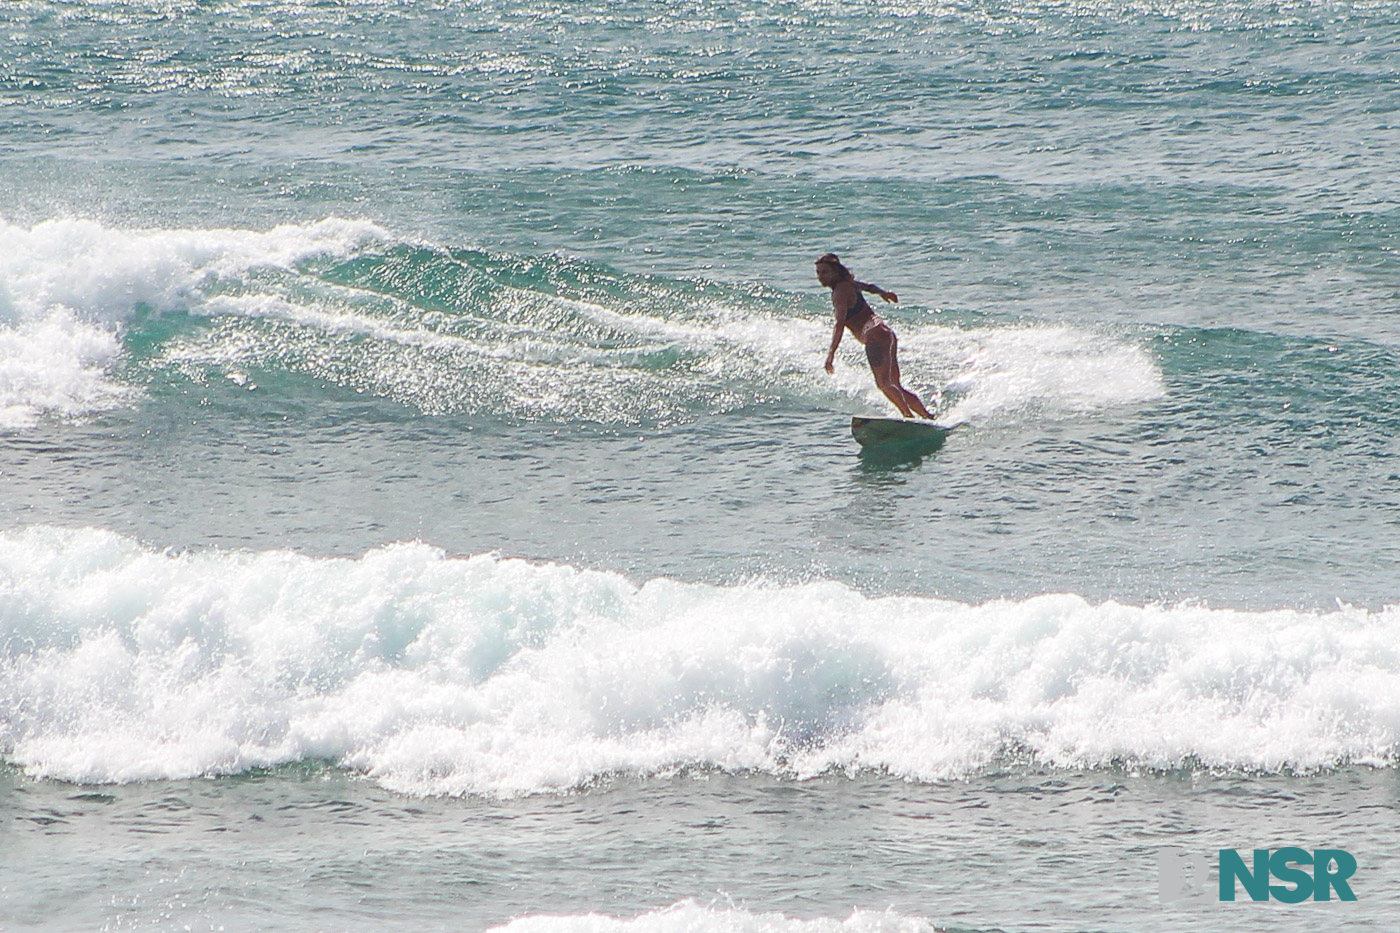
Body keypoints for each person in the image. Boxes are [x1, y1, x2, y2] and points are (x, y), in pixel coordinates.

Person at [816, 253, 934, 420]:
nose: (820, 277)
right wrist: (883, 293)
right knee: (895, 385)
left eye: (825, 272)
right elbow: (869, 287)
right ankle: (927, 417)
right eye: (818, 273)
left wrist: (830, 355)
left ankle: (908, 418)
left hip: (874, 337)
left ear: (835, 272)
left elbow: (839, 323)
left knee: (885, 385)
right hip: (886, 333)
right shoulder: (850, 284)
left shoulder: (839, 292)